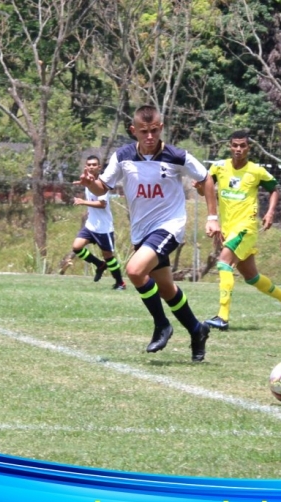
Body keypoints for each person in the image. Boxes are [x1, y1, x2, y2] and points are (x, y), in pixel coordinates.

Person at [78, 105, 213, 362]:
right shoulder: (123, 156)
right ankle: (198, 330)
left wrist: (213, 218)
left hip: (169, 226)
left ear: (161, 128)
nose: (149, 136)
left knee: (135, 270)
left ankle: (162, 324)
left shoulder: (176, 155)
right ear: (134, 131)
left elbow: (206, 177)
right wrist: (89, 184)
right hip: (141, 231)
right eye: (143, 132)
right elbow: (101, 188)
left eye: (154, 131)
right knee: (166, 289)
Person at [198, 130, 281, 331]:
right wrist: (198, 186)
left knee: (224, 264)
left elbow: (274, 189)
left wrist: (269, 213)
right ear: (230, 146)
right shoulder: (218, 167)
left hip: (246, 228)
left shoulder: (256, 171)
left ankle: (222, 317)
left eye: (243, 145)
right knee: (252, 277)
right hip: (227, 229)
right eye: (235, 145)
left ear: (248, 148)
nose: (238, 149)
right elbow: (204, 189)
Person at [71, 155, 126, 290]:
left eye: (94, 164)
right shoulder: (87, 181)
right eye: (89, 164)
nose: (91, 167)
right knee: (77, 247)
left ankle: (120, 283)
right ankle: (99, 264)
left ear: (99, 167)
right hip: (91, 225)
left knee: (108, 257)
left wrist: (83, 202)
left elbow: (102, 204)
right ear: (85, 167)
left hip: (103, 228)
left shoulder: (102, 183)